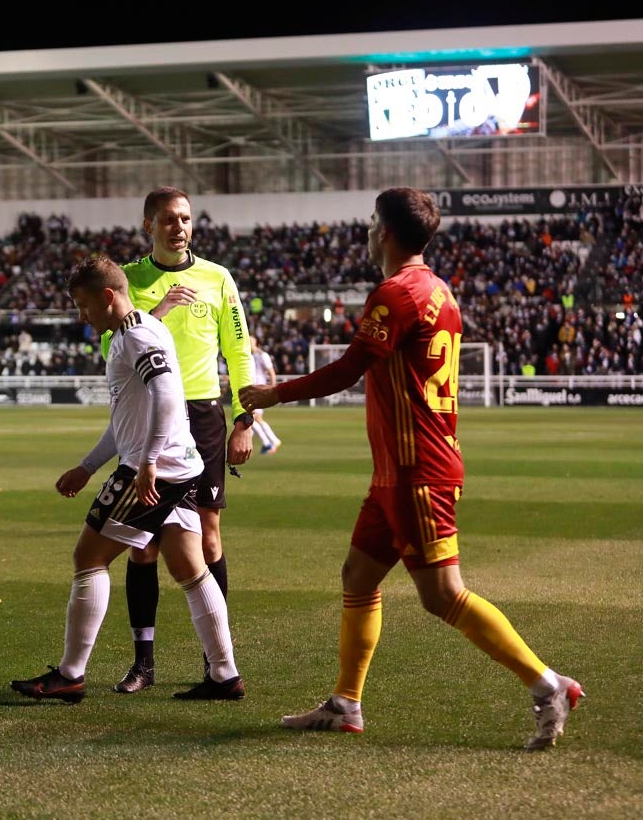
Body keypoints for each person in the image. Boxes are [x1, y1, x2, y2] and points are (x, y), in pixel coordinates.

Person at [239, 188, 583, 750]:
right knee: (358, 575)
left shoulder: (396, 293)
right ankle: (346, 703)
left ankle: (548, 685)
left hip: (417, 468)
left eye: (374, 222)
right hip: (400, 470)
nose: (370, 231)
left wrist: (272, 394)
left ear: (387, 233)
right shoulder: (440, 291)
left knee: (443, 594)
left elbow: (352, 368)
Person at [11, 256, 242, 702]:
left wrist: (148, 463)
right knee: (189, 568)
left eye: (83, 305)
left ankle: (70, 674)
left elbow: (169, 398)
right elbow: (126, 420)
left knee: (89, 557)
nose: (81, 315)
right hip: (181, 466)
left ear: (107, 297)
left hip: (157, 469)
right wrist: (87, 465)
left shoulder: (136, 337)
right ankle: (225, 674)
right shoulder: (138, 331)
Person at [108, 186, 254, 695]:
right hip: (149, 415)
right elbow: (110, 345)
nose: (180, 227)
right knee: (141, 543)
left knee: (208, 538)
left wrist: (244, 419)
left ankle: (218, 665)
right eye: (169, 219)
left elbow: (238, 351)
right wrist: (161, 310)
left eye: (186, 218)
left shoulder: (218, 279)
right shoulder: (128, 280)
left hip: (205, 414)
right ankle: (142, 663)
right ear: (148, 225)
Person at [248, 336, 281, 455]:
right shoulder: (249, 355)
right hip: (252, 390)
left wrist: (272, 390)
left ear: (256, 342)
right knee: (251, 418)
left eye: (250, 341)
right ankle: (266, 442)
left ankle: (272, 441)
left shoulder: (263, 355)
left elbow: (272, 373)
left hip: (260, 390)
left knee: (254, 417)